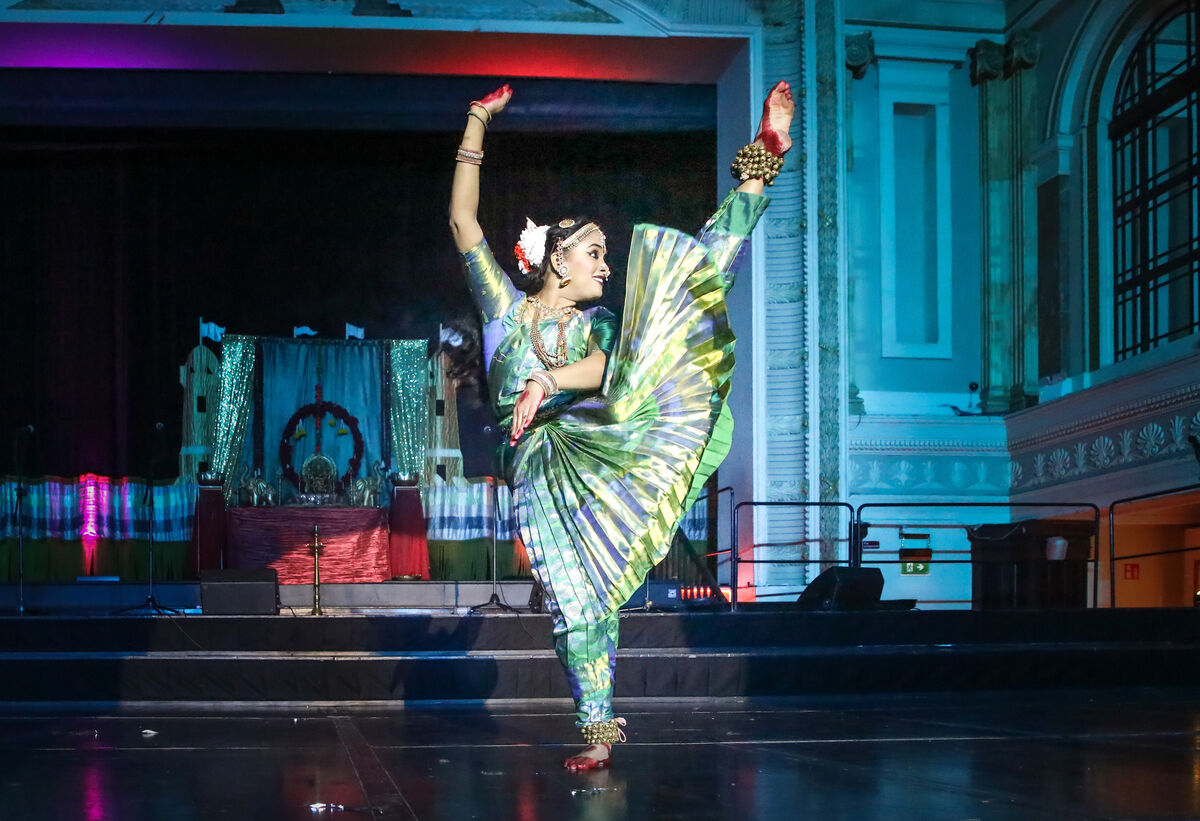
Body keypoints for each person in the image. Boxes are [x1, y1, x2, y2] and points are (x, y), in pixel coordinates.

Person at [448, 81, 793, 771]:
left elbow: (611, 367)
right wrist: (478, 120)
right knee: (578, 597)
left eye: (607, 253)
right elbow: (462, 220)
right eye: (594, 252)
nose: (606, 265)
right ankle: (598, 726)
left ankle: (762, 166)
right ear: (557, 259)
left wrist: (547, 380)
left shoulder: (598, 327)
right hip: (542, 467)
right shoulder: (505, 312)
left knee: (679, 293)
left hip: (601, 453)